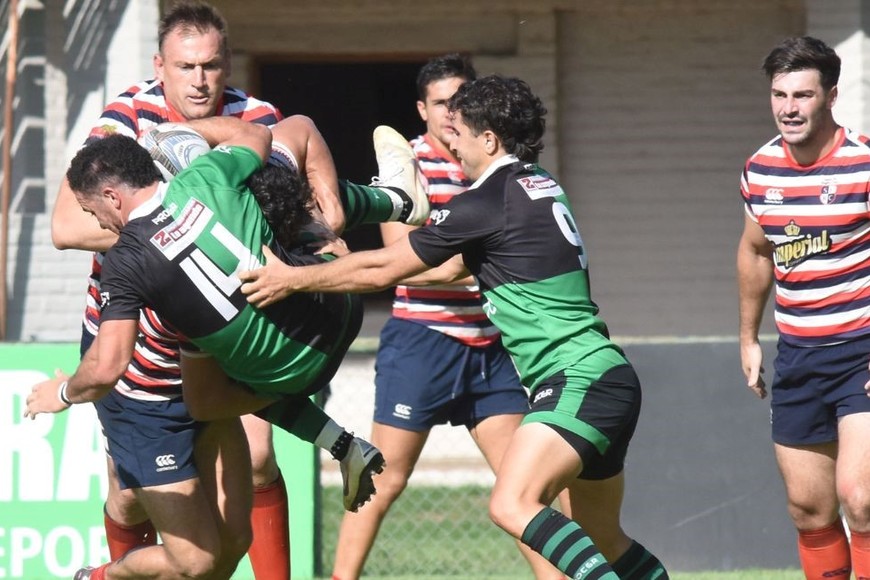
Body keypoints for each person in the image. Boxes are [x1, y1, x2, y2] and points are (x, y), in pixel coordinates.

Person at [237, 75, 669, 579]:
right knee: (604, 541)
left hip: (576, 381)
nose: (452, 143)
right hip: (607, 378)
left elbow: (385, 269)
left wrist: (293, 278)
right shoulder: (539, 184)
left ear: (489, 139)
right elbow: (444, 268)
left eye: (460, 133)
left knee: (511, 503)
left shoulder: (488, 201)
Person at [26, 115, 427, 579]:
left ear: (113, 197)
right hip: (331, 322)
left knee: (208, 549)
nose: (95, 220)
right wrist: (196, 137)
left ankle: (97, 578)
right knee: (284, 166)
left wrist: (61, 394)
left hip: (277, 375)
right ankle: (394, 200)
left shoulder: (127, 260)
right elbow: (263, 133)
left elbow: (106, 364)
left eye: (92, 209)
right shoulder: (206, 176)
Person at [49, 3, 297, 577]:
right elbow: (67, 227)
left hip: (225, 320)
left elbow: (286, 210)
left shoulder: (255, 114)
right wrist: (181, 237)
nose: (200, 80)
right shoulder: (125, 117)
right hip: (134, 328)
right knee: (130, 495)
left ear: (227, 63)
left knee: (258, 457)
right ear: (161, 66)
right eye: (186, 67)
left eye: (211, 65)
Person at [331, 54, 563, 580]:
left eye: (460, 104)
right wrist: (493, 261)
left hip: (491, 344)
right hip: (424, 341)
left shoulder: (494, 164)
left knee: (523, 490)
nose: (451, 115)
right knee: (385, 480)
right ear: (422, 109)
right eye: (440, 104)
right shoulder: (407, 163)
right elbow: (401, 259)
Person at [737, 36, 870, 579]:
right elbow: (754, 250)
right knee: (810, 510)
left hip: (861, 351)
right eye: (779, 94)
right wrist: (747, 337)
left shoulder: (864, 162)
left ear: (831, 96)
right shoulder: (759, 169)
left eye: (802, 95)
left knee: (861, 498)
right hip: (797, 355)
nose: (789, 108)